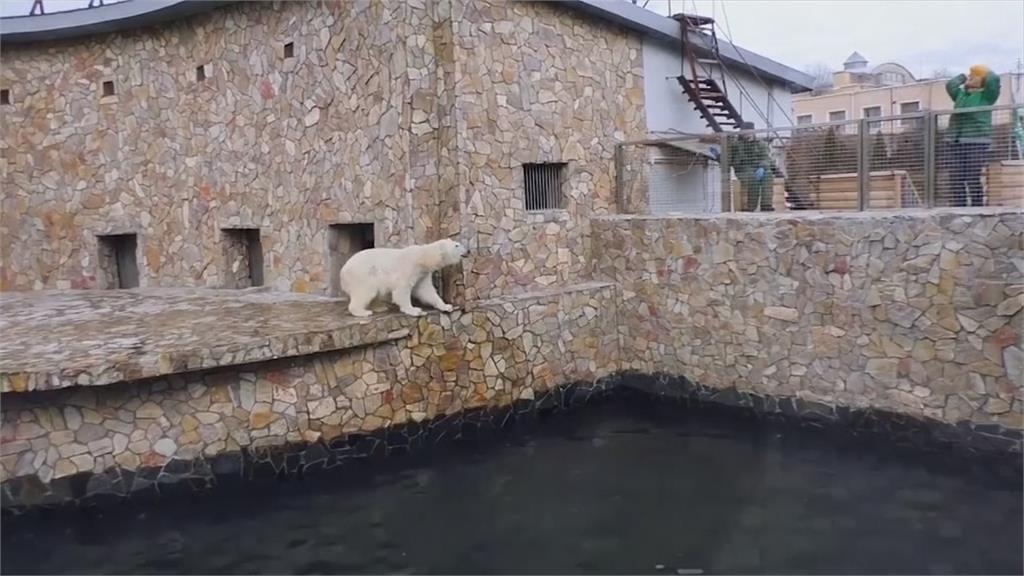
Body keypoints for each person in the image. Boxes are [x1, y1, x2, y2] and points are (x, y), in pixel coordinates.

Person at [946, 65, 1001, 207]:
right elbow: (950, 85)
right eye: (970, 75)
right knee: (955, 177)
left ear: (982, 80)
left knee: (972, 176)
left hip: (977, 141)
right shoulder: (961, 94)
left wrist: (982, 71)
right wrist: (963, 77)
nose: (970, 77)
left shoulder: (987, 96)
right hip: (956, 141)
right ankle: (959, 207)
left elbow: (994, 79)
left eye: (974, 76)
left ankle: (977, 207)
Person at [728, 122, 779, 211]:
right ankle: (751, 207)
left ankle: (766, 205)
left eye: (749, 131)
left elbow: (765, 158)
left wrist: (762, 167)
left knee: (768, 175)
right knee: (752, 177)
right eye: (744, 132)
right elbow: (729, 159)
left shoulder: (761, 144)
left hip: (758, 168)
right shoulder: (736, 144)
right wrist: (718, 157)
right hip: (743, 169)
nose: (746, 134)